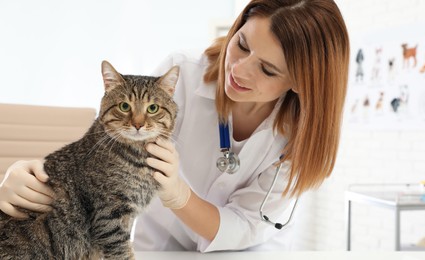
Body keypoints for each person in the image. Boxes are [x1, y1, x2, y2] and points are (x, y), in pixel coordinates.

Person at [0, 0, 349, 252]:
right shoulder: (181, 72)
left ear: (302, 82)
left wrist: (179, 196)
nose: (239, 70)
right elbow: (104, 155)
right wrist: (25, 172)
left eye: (268, 70)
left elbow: (245, 226)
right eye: (241, 45)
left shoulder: (299, 137)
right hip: (159, 249)